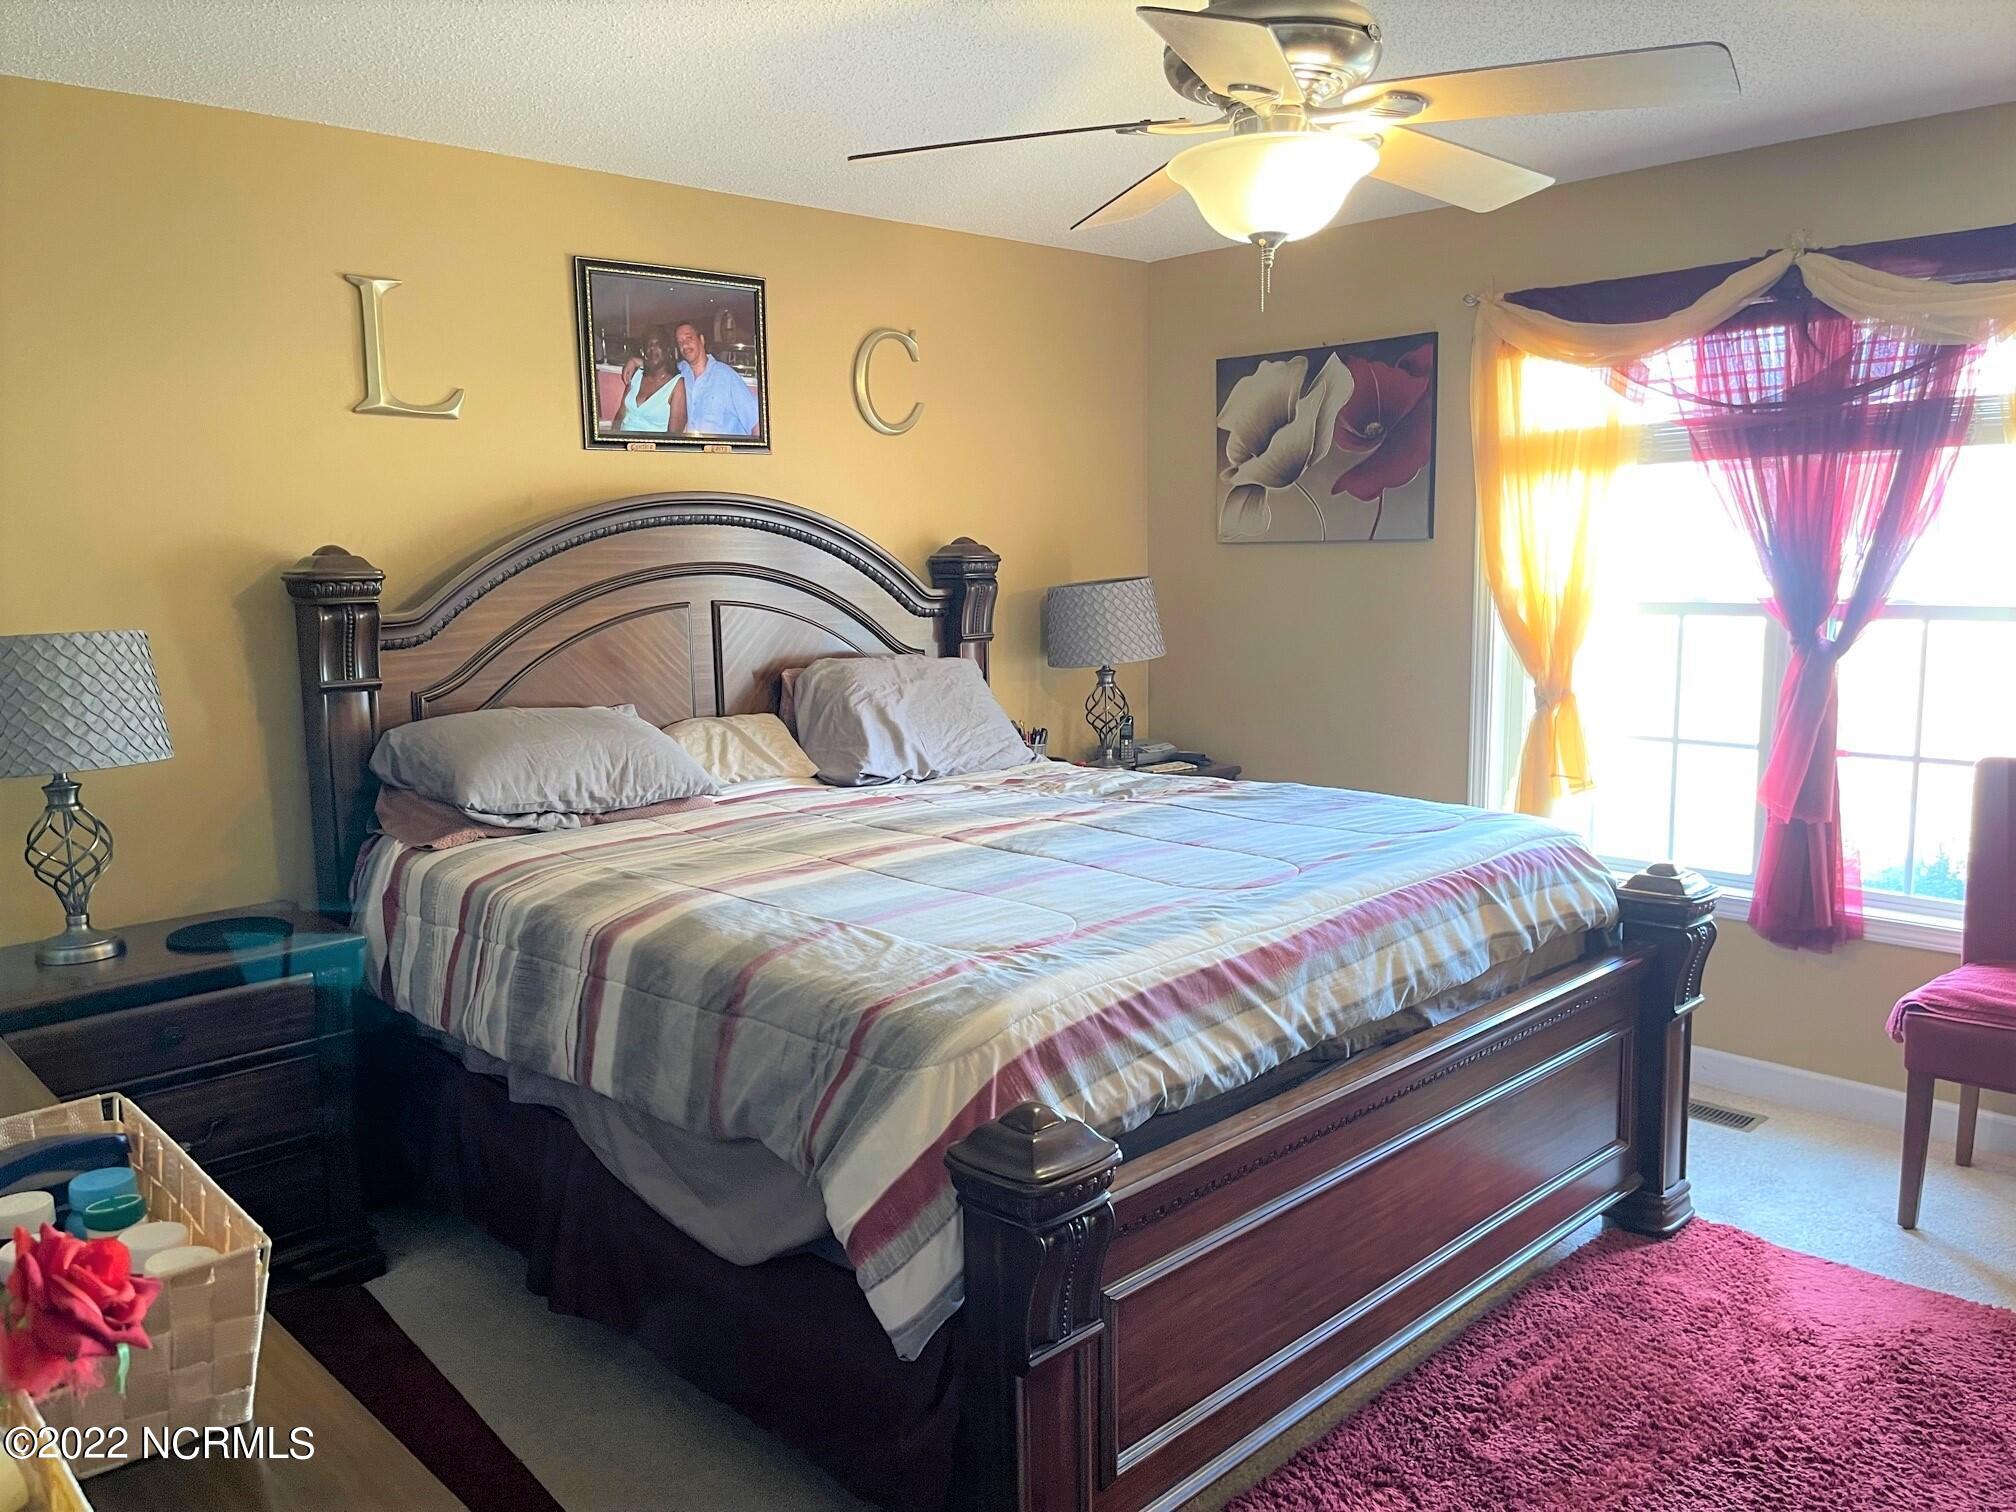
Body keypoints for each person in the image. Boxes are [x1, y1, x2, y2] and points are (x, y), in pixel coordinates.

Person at [674, 322, 760, 436]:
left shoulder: (726, 376)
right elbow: (657, 369)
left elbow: (756, 423)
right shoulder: (682, 372)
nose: (684, 345)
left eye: (689, 338)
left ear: (702, 340)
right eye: (680, 342)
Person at [612, 326, 687, 435]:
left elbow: (674, 435)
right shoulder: (637, 375)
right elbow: (620, 415)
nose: (652, 348)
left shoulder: (676, 384)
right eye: (649, 345)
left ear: (668, 349)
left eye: (657, 344)